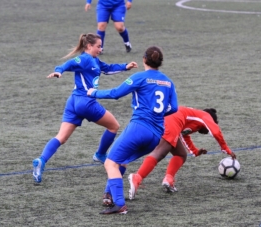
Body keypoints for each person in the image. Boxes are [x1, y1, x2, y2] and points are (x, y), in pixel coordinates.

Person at [32, 33, 138, 184]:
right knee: (114, 126)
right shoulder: (85, 58)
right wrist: (59, 70)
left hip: (73, 102)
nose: (100, 49)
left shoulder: (95, 60)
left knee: (61, 137)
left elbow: (107, 68)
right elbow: (69, 64)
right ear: (89, 46)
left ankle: (41, 160)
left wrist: (125, 67)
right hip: (85, 102)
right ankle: (100, 155)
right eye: (98, 46)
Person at [87, 46, 178, 214]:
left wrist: (94, 93)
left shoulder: (139, 77)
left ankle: (120, 204)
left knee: (109, 162)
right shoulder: (168, 82)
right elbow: (174, 108)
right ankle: (109, 194)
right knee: (120, 161)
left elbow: (115, 93)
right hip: (156, 135)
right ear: (160, 63)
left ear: (144, 60)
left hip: (139, 128)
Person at [127, 106, 237, 200]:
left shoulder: (194, 119)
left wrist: (194, 151)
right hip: (170, 121)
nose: (207, 131)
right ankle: (138, 177)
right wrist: (226, 149)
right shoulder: (205, 115)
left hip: (164, 120)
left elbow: (184, 134)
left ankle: (168, 180)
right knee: (160, 152)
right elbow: (216, 131)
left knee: (181, 154)